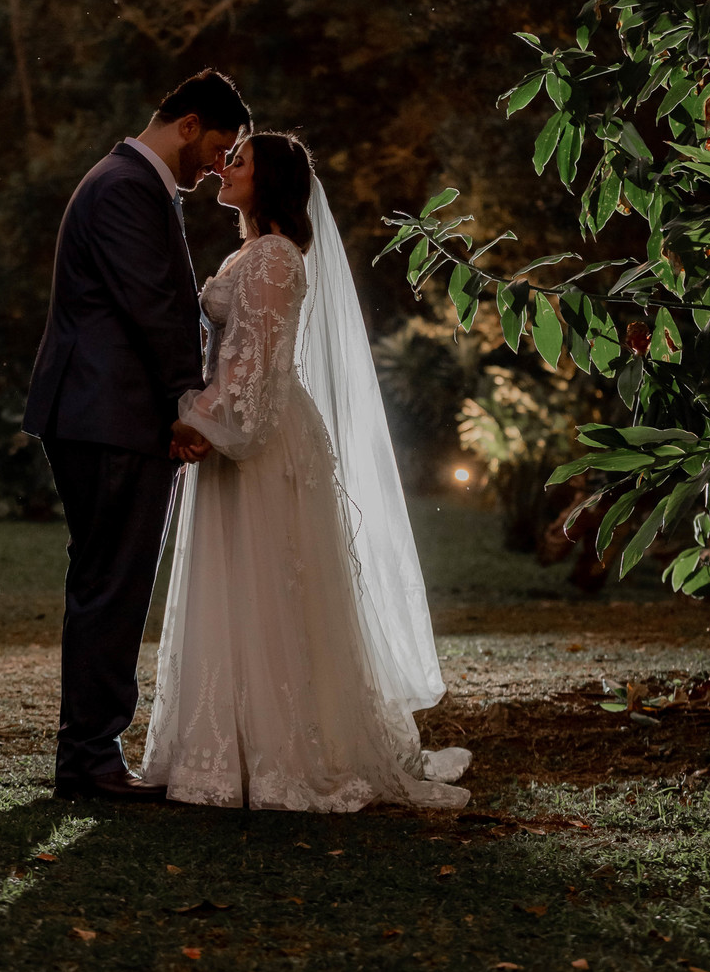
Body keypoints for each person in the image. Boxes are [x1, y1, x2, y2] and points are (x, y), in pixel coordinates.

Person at [143, 132, 472, 812]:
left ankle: (285, 752)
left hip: (261, 440)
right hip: (239, 431)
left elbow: (255, 365)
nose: (224, 169)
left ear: (270, 181)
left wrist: (199, 422)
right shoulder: (249, 252)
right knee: (243, 584)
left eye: (239, 161)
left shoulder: (273, 257)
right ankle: (228, 745)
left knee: (269, 585)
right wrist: (206, 416)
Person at [23, 69, 252, 801]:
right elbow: (154, 307)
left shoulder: (126, 181)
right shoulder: (126, 186)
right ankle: (90, 761)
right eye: (217, 148)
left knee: (107, 583)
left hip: (103, 413)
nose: (216, 166)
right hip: (110, 415)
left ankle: (89, 755)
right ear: (188, 125)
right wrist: (189, 404)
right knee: (113, 586)